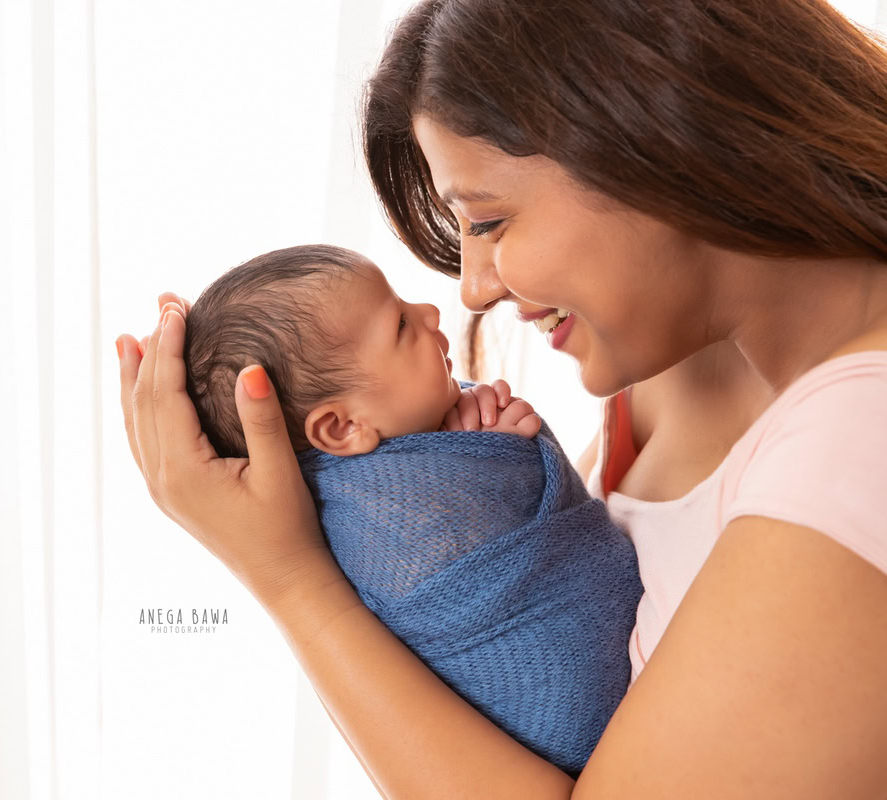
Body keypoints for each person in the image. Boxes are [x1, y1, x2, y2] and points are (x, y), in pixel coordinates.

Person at [116, 0, 887, 795]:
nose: (474, 289)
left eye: (486, 220)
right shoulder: (669, 373)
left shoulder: (858, 433)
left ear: (654, 140)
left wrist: (290, 580)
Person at [183, 242, 644, 775]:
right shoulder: (379, 514)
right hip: (559, 727)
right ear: (342, 428)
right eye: (401, 325)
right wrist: (503, 457)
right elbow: (472, 547)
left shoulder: (422, 451)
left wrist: (480, 447)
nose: (429, 313)